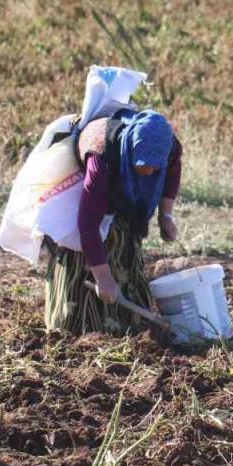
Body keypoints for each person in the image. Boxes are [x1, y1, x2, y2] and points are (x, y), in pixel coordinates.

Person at [43, 109, 182, 334]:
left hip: (125, 188)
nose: (150, 171)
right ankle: (80, 328)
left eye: (156, 166)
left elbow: (173, 172)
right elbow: (87, 224)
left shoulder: (169, 146)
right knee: (81, 255)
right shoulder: (100, 159)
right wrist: (103, 276)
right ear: (131, 150)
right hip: (83, 186)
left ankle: (129, 324)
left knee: (124, 244)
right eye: (143, 163)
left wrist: (165, 215)